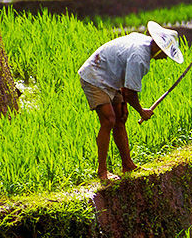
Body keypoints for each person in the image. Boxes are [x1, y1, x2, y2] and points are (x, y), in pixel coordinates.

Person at [78, 21, 184, 181]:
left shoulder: (142, 41)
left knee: (121, 118)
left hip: (111, 77)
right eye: (165, 53)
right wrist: (142, 111)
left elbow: (125, 80)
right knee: (109, 120)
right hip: (95, 75)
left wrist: (125, 104)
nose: (165, 58)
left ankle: (127, 164)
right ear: (158, 47)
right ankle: (102, 172)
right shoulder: (140, 57)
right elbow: (129, 92)